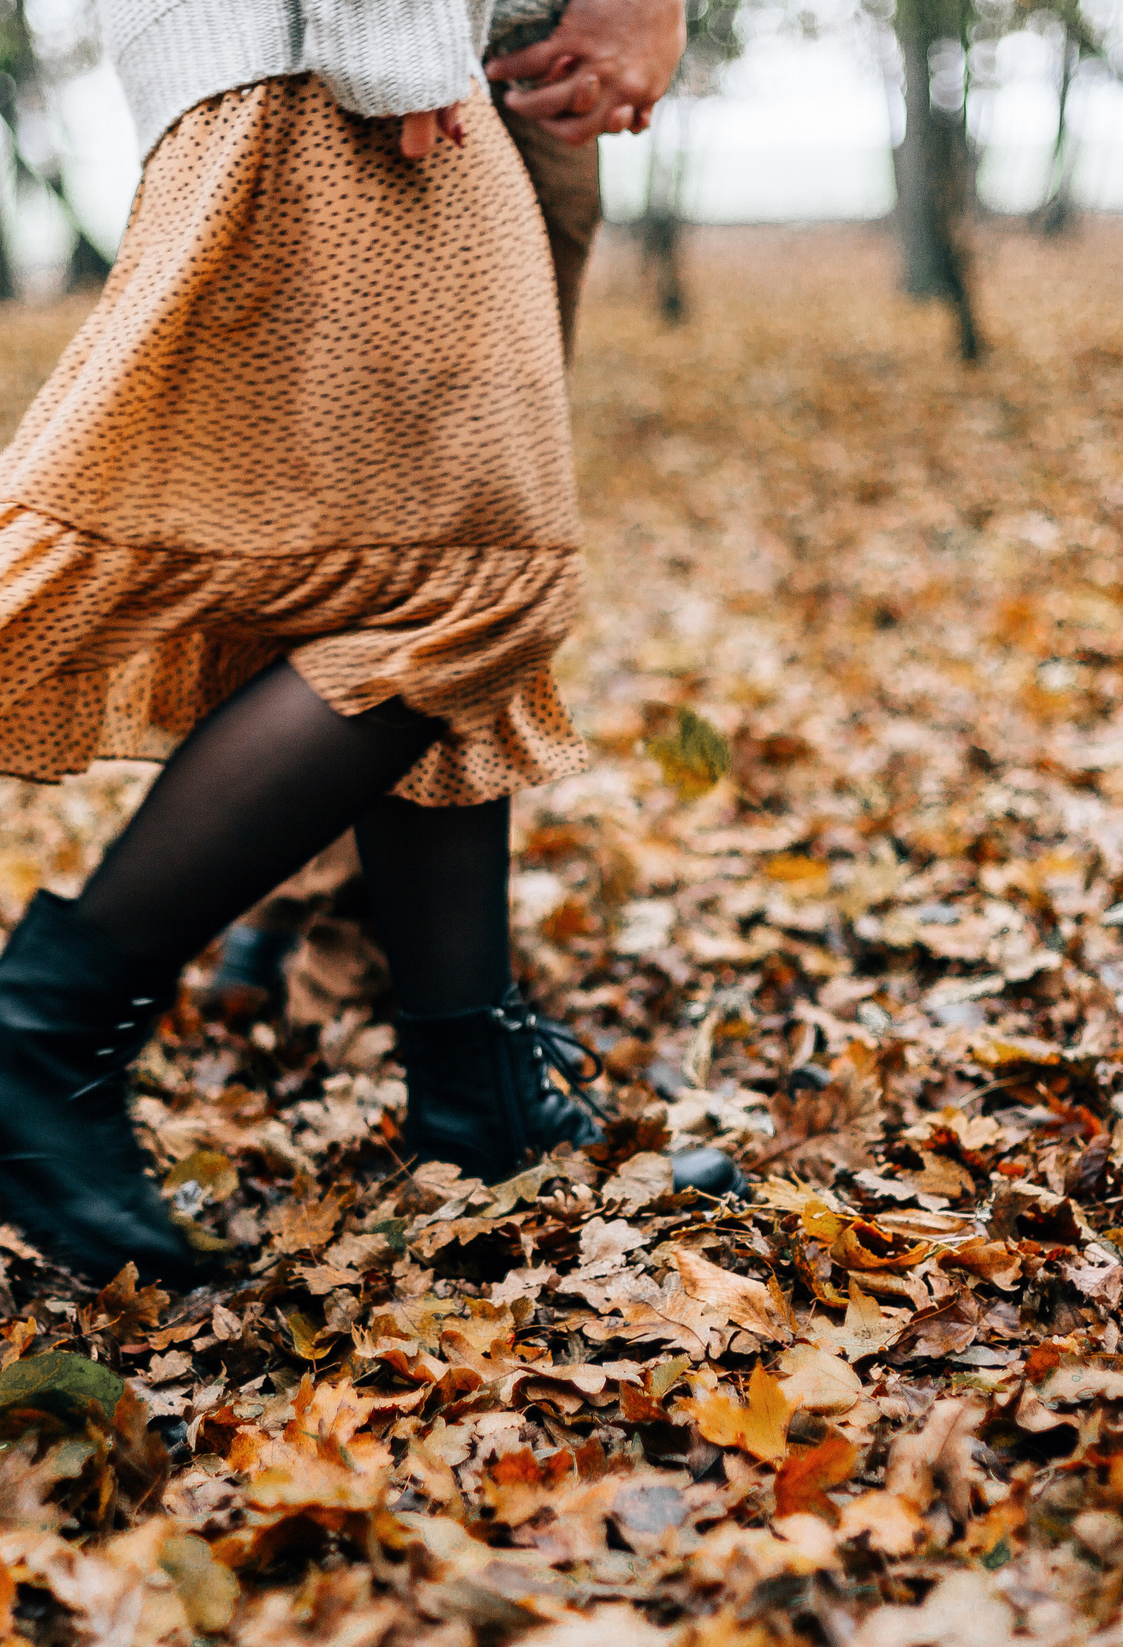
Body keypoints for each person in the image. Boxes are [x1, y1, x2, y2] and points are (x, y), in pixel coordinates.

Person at [0, 0, 686, 1286]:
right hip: (350, 83)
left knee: (413, 582)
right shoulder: (382, 62)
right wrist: (391, 35)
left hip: (350, 75)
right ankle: (32, 1044)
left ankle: (479, 1106)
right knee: (464, 595)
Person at [208, 0, 689, 1015]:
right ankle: (353, 957)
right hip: (389, 63)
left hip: (496, 59)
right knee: (434, 558)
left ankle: (307, 916)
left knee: (431, 547)